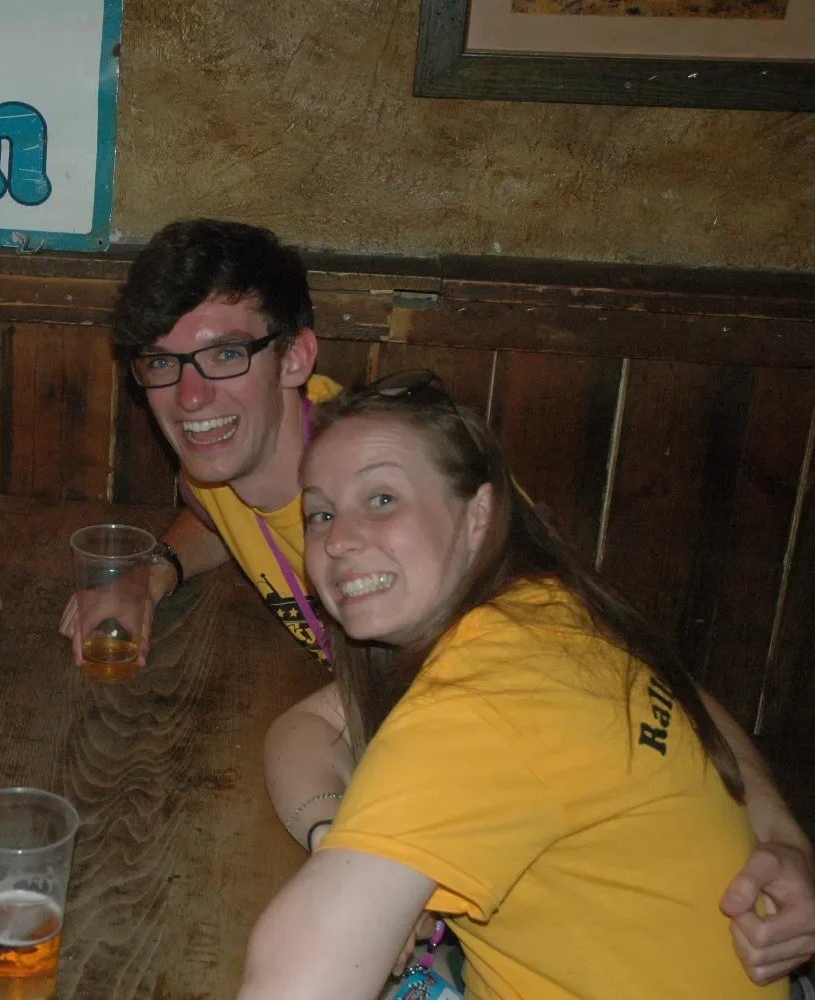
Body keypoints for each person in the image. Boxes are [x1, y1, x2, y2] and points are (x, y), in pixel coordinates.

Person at [64, 218, 814, 985]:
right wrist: (154, 568)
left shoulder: (457, 549)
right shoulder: (237, 455)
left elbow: (612, 659)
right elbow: (213, 508)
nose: (192, 395)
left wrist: (779, 828)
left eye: (226, 354)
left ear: (295, 357)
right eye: (162, 363)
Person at [239, 371, 787, 999]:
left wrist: (363, 870)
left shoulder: (491, 697)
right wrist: (333, 836)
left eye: (383, 499)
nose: (338, 540)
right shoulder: (539, 611)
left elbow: (296, 982)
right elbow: (306, 726)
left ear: (478, 514)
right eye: (321, 514)